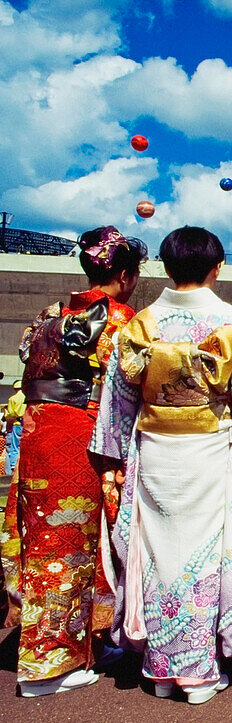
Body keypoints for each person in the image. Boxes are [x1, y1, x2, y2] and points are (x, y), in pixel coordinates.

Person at [89, 226, 232, 704]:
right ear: (217, 269)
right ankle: (196, 672)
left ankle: (159, 669)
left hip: (154, 450)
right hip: (209, 451)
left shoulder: (141, 323)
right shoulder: (231, 321)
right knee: (206, 557)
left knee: (157, 555)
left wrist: (111, 461)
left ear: (165, 266)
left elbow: (117, 401)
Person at [1, 226, 144, 696]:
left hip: (41, 428)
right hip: (79, 430)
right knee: (66, 545)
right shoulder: (121, 319)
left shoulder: (49, 314)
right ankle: (48, 664)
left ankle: (81, 640)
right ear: (123, 274)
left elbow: (27, 358)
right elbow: (131, 380)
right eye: (136, 273)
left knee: (48, 534)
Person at [3, 382, 25, 475]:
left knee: (15, 446)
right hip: (27, 423)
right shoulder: (27, 397)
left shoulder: (12, 399)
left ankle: (13, 467)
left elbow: (11, 414)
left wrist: (6, 412)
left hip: (17, 423)